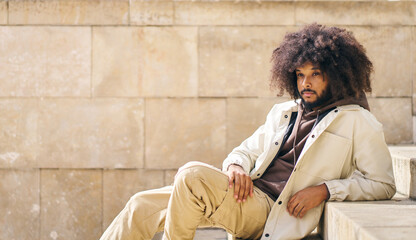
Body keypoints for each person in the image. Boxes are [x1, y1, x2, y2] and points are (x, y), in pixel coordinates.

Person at [100, 23, 396, 240]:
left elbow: (382, 183)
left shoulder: (358, 121)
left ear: (336, 74)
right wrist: (236, 166)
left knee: (190, 176)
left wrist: (325, 190)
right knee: (140, 204)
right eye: (300, 74)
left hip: (271, 210)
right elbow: (245, 150)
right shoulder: (285, 112)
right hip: (246, 194)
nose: (305, 82)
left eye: (315, 74)